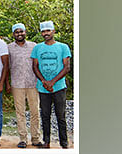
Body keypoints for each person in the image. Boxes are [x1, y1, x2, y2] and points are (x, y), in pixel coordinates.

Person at [31, 21, 71, 149]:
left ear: (53, 31)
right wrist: (44, 81)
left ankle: (64, 143)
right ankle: (46, 142)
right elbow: (35, 66)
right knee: (45, 115)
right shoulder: (37, 48)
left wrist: (52, 82)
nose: (46, 33)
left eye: (48, 31)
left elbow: (67, 67)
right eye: (43, 31)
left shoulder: (63, 47)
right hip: (43, 88)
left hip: (58, 87)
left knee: (61, 116)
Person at [7, 23, 42, 148]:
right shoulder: (9, 47)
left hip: (33, 83)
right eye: (16, 32)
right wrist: (7, 83)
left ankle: (36, 138)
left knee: (35, 111)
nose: (19, 34)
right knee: (20, 112)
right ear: (13, 34)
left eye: (21, 31)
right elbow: (7, 66)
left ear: (25, 32)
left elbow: (38, 65)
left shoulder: (34, 46)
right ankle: (23, 139)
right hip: (17, 84)